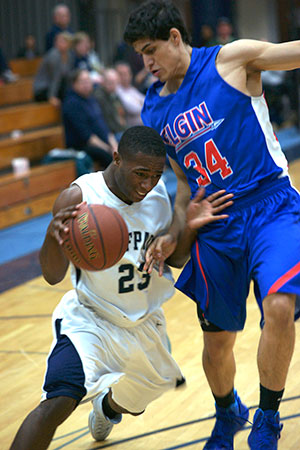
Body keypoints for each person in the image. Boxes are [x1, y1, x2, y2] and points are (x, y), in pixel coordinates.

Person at [124, 1, 300, 449]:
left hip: (270, 205)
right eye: (140, 54)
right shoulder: (154, 110)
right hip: (215, 221)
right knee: (218, 341)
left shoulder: (232, 59)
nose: (146, 62)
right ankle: (228, 412)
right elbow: (182, 183)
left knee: (280, 305)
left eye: (151, 49)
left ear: (176, 38)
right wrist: (174, 233)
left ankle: (267, 418)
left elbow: (292, 52)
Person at [9, 125, 232, 450]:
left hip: (144, 326)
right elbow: (52, 276)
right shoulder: (80, 197)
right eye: (141, 173)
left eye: (156, 175)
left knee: (137, 402)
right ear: (116, 158)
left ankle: (106, 408)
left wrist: (188, 228)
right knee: (58, 400)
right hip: (92, 319)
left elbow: (176, 259)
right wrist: (52, 235)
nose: (148, 184)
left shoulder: (156, 197)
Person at [62, 69, 117, 170]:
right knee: (109, 157)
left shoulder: (91, 99)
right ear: (74, 84)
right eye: (83, 82)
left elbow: (104, 126)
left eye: (88, 81)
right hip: (81, 146)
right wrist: (108, 149)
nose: (86, 85)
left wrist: (114, 145)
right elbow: (87, 136)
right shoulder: (71, 103)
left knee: (124, 144)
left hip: (101, 141)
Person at [33, 32, 73, 107]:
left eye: (63, 41)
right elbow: (55, 78)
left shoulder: (69, 55)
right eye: (58, 41)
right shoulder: (53, 56)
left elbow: (68, 76)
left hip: (56, 87)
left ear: (69, 43)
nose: (60, 44)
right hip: (42, 89)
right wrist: (51, 97)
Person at [94, 67, 127, 140]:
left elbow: (123, 114)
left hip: (120, 130)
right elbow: (108, 121)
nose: (113, 85)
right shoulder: (99, 97)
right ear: (103, 82)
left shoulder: (113, 94)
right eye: (110, 82)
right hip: (110, 135)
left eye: (115, 82)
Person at [115, 61, 145, 126]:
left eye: (126, 74)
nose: (124, 77)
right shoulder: (117, 90)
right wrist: (142, 105)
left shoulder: (131, 88)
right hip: (132, 125)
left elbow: (145, 100)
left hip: (142, 119)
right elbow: (133, 109)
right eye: (121, 74)